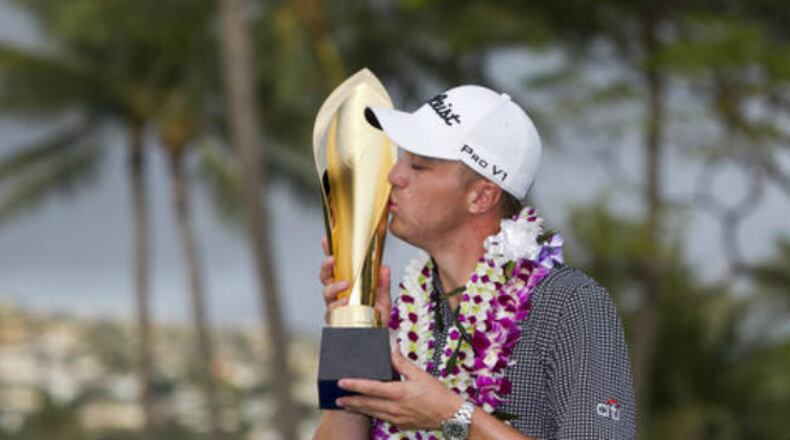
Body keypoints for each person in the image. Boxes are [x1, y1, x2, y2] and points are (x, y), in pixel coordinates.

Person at [314, 85, 636, 440]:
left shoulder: (569, 303)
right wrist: (356, 330)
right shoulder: (407, 309)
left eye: (418, 166)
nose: (394, 176)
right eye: (401, 158)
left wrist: (452, 416)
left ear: (481, 196)